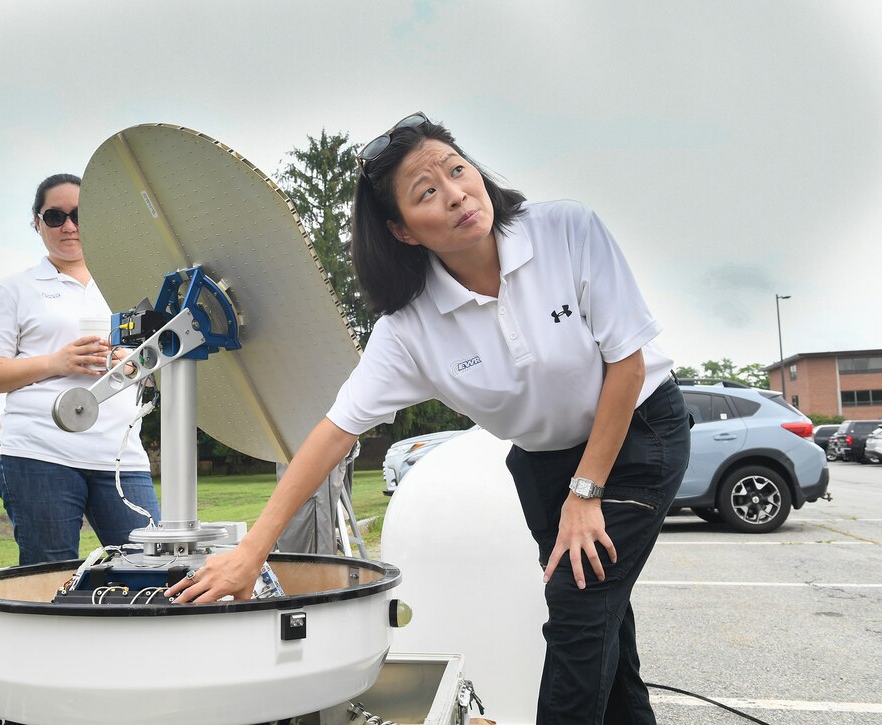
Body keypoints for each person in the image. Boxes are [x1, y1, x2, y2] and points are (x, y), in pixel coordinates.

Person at [166, 114, 690, 724]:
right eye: (427, 192)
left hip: (635, 433)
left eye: (457, 170)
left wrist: (587, 489)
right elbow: (334, 432)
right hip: (544, 463)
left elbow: (626, 363)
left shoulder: (566, 229)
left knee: (578, 609)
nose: (457, 194)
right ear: (403, 230)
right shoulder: (409, 328)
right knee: (603, 623)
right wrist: (253, 551)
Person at [0, 173, 161, 566]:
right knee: (51, 574)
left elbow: (158, 364)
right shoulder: (16, 289)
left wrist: (134, 362)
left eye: (78, 215)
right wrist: (56, 362)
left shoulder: (127, 286)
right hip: (40, 454)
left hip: (121, 457)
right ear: (37, 223)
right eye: (55, 217)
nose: (69, 226)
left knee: (153, 567)